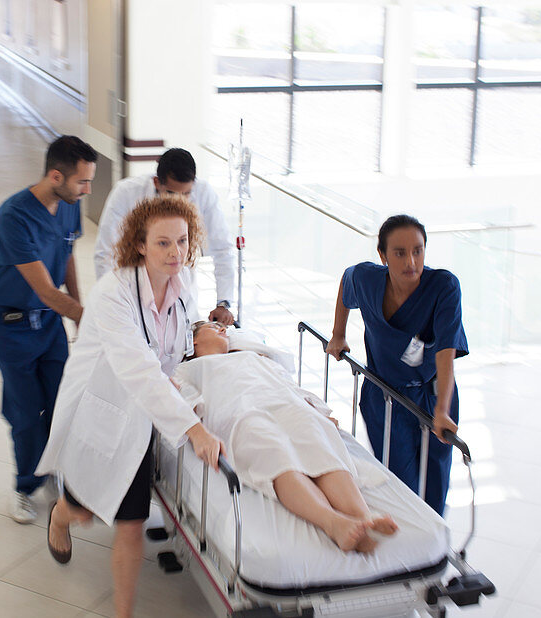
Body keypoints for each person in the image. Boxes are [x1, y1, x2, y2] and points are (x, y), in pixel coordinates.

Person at [38, 197, 225, 618]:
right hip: (103, 407)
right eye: (162, 243)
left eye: (182, 241)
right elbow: (138, 369)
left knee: (131, 521)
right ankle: (60, 517)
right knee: (85, 507)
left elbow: (173, 355)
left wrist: (194, 399)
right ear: (140, 245)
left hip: (148, 414)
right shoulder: (113, 294)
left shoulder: (182, 287)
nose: (175, 252)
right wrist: (193, 429)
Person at [177, 322, 399, 553]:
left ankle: (363, 519)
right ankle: (334, 523)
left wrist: (317, 410)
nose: (223, 330)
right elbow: (183, 405)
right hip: (240, 412)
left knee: (316, 437)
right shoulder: (188, 370)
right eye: (214, 328)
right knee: (273, 451)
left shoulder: (254, 357)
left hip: (283, 402)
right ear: (192, 340)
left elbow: (289, 385)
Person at [0, 135, 97, 524]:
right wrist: (88, 318)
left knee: (62, 400)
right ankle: (24, 486)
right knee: (27, 410)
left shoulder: (68, 206)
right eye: (82, 182)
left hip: (48, 324)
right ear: (55, 175)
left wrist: (78, 311)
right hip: (11, 325)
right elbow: (45, 290)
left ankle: (52, 470)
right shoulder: (12, 217)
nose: (87, 190)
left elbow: (66, 260)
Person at [326, 215, 468, 517]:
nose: (411, 262)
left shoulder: (444, 287)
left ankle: (433, 548)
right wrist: (338, 335)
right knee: (400, 485)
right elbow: (346, 281)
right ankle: (406, 545)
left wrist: (442, 410)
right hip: (385, 397)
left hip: (433, 397)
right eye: (400, 253)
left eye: (418, 250)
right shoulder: (368, 280)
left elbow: (445, 349)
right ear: (383, 256)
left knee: (434, 486)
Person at [93, 148, 236, 325]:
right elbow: (105, 253)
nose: (179, 201)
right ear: (156, 183)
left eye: (186, 194)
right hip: (133, 285)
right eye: (171, 193)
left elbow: (223, 249)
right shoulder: (126, 192)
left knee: (180, 338)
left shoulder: (204, 194)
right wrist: (112, 301)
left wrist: (224, 302)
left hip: (179, 284)